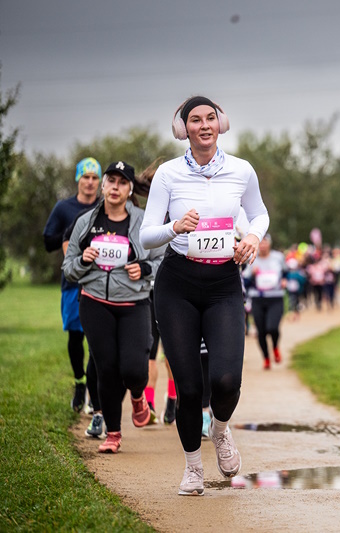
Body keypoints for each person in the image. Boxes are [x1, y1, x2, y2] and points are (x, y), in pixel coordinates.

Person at [140, 95, 269, 496]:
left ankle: (222, 428)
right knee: (190, 388)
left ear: (221, 124)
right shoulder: (168, 174)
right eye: (194, 120)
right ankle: (193, 467)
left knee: (227, 379)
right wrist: (175, 227)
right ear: (184, 129)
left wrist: (251, 236)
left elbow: (260, 213)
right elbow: (146, 236)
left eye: (210, 118)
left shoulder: (241, 170)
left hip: (223, 285)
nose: (203, 125)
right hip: (177, 286)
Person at [62, 161, 164, 454]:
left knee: (134, 369)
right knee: (106, 368)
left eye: (122, 182)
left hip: (134, 304)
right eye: (111, 181)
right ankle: (114, 433)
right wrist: (83, 261)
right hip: (94, 303)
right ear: (103, 186)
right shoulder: (85, 222)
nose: (115, 187)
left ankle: (137, 396)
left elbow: (163, 260)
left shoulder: (144, 222)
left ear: (130, 189)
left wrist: (144, 268)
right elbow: (68, 269)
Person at [43, 157, 102, 415]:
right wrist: (71, 231)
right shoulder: (63, 207)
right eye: (85, 177)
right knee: (76, 336)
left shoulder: (105, 207)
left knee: (97, 339)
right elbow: (47, 242)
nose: (89, 182)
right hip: (72, 282)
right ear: (78, 179)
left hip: (100, 280)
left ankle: (94, 391)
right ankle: (79, 384)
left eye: (94, 177)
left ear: (99, 181)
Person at [243, 234, 286, 369]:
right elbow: (246, 280)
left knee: (272, 327)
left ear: (270, 244)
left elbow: (286, 272)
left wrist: (285, 280)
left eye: (265, 242)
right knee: (260, 331)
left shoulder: (278, 257)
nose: (263, 246)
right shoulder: (251, 257)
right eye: (260, 243)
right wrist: (253, 274)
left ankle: (275, 347)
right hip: (258, 298)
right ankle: (266, 358)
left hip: (275, 297)